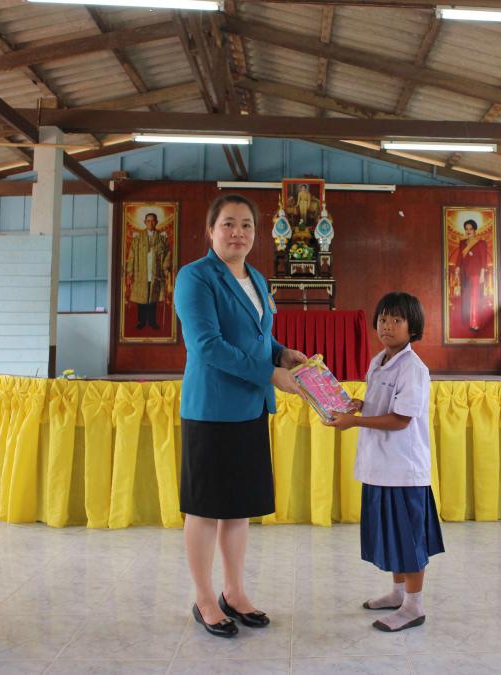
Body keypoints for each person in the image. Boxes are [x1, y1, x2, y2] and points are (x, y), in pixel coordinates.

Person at [174, 194, 307, 638]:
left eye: (247, 225)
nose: (238, 233)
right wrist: (269, 373)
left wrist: (281, 354)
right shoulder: (196, 277)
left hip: (250, 408)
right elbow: (207, 345)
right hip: (211, 409)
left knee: (237, 509)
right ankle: (204, 598)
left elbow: (257, 336)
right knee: (205, 509)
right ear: (210, 231)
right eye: (228, 224)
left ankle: (234, 591)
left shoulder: (257, 278)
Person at [324, 292, 443, 633]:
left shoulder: (413, 368)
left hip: (403, 470)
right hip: (381, 466)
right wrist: (359, 404)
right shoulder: (379, 362)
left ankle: (414, 606)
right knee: (392, 535)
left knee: (409, 539)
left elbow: (401, 419)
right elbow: (383, 403)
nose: (387, 326)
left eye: (396, 320)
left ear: (412, 327)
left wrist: (355, 422)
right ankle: (398, 594)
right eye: (382, 319)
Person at [126, 212, 172, 330]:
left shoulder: (161, 239)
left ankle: (152, 322)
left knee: (153, 298)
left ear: (156, 222)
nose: (150, 223)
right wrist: (130, 272)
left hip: (155, 272)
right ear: (145, 222)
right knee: (142, 298)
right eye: (148, 221)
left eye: (153, 221)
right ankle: (141, 321)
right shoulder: (138, 238)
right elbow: (131, 255)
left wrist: (166, 268)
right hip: (141, 272)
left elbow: (167, 254)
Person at [454, 219, 489, 332]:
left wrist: (482, 275)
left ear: (475, 230)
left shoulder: (481, 243)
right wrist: (457, 271)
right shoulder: (462, 243)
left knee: (474, 298)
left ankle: (474, 324)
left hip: (476, 274)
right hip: (465, 274)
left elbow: (484, 260)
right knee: (466, 298)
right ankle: (468, 321)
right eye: (466, 229)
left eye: (471, 229)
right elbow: (459, 258)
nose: (468, 231)